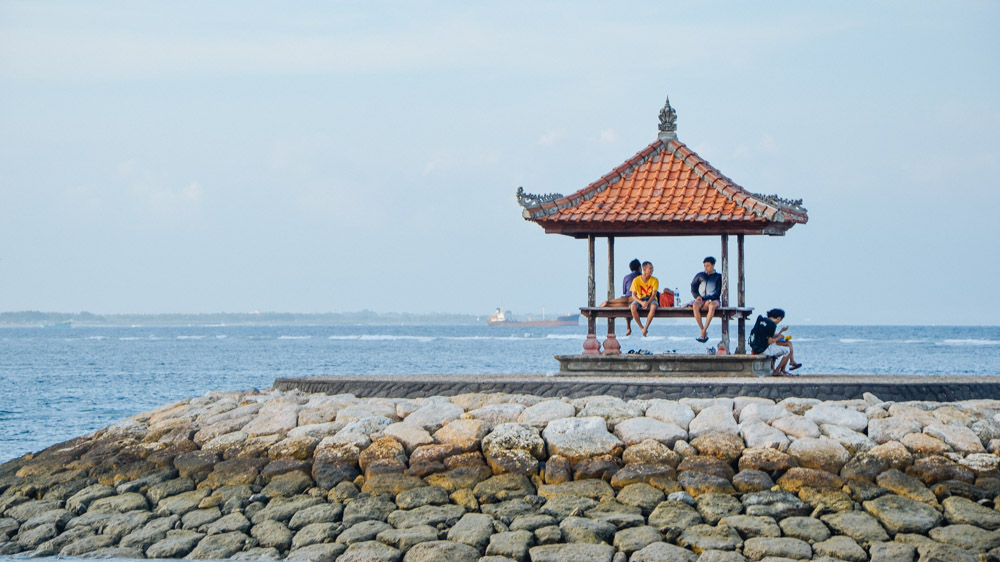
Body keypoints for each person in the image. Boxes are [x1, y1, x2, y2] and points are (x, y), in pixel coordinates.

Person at [748, 308, 803, 376]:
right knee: (788, 350)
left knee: (786, 346)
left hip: (756, 348)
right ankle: (777, 371)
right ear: (779, 318)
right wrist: (779, 337)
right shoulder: (772, 325)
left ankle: (783, 369)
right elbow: (770, 341)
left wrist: (781, 332)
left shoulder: (762, 321)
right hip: (763, 349)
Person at [690, 256, 722, 342]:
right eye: (704, 266)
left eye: (708, 265)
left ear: (713, 265)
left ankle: (704, 331)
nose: (706, 268)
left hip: (714, 300)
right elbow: (693, 286)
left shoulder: (718, 277)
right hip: (701, 299)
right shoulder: (700, 275)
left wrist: (710, 300)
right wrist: (696, 296)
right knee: (695, 305)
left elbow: (718, 291)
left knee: (712, 307)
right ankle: (703, 330)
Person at [629, 261, 659, 337]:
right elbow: (633, 295)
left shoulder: (655, 280)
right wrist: (642, 303)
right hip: (640, 299)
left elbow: (654, 294)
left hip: (651, 299)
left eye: (652, 268)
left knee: (653, 307)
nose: (652, 270)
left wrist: (648, 302)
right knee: (633, 307)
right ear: (644, 270)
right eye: (650, 268)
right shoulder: (636, 280)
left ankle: (646, 327)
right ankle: (641, 327)